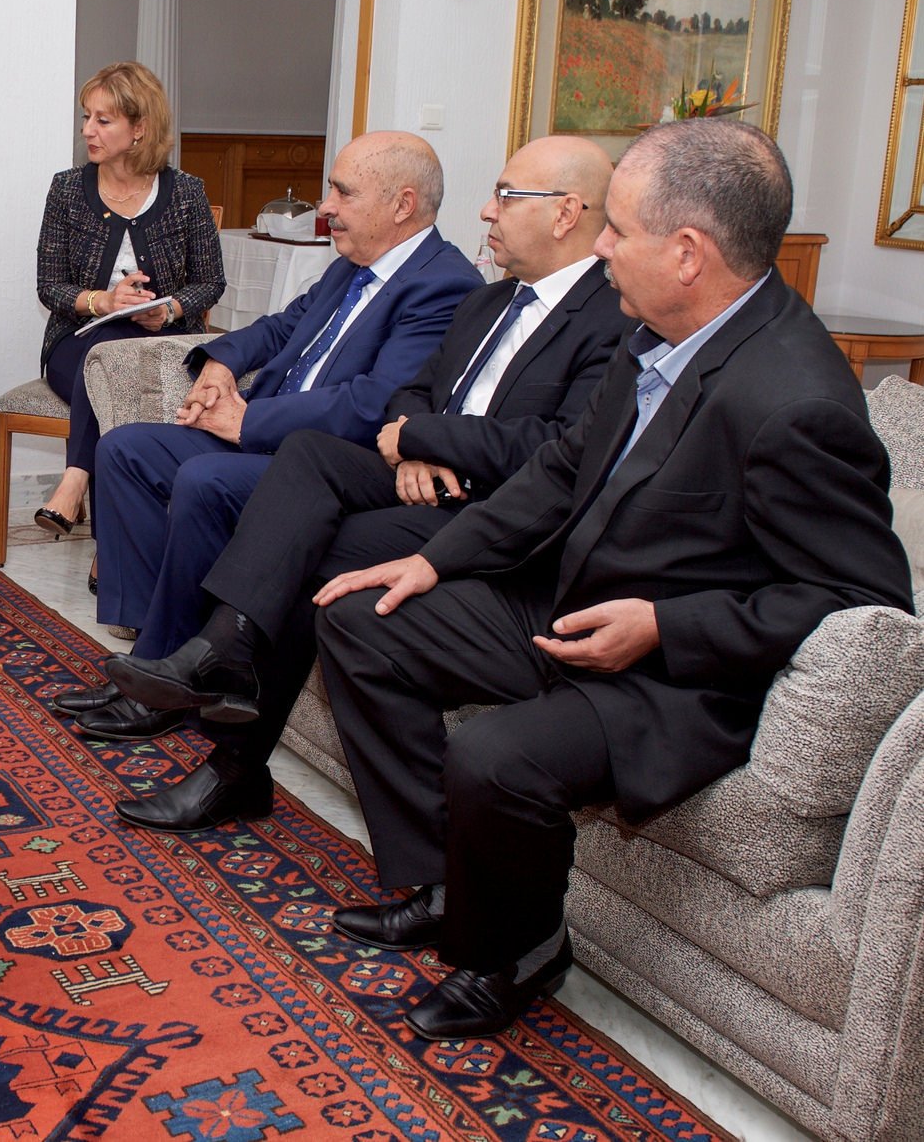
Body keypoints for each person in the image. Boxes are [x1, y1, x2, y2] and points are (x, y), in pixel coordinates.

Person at [303, 118, 911, 1042]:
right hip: (571, 607)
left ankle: (518, 951)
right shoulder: (654, 331)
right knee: (364, 616)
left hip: (674, 675)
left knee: (493, 756)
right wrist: (435, 557)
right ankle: (441, 881)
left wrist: (664, 625)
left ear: (686, 253)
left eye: (616, 230)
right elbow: (561, 469)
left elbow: (863, 604)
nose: (598, 249)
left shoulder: (796, 401)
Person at [102, 135, 630, 830]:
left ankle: (231, 745)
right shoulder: (491, 300)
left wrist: (420, 438)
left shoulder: (612, 319)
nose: (485, 210)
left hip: (499, 514)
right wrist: (411, 441)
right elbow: (411, 390)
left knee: (306, 552)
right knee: (308, 458)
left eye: (505, 196)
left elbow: (553, 447)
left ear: (565, 213)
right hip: (421, 484)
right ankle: (219, 658)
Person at [68, 130, 482, 741]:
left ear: (402, 204)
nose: (326, 208)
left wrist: (247, 423)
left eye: (343, 192)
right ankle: (154, 649)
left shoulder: (443, 285)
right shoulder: (350, 267)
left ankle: (161, 683)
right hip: (266, 433)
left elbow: (374, 403)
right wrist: (220, 362)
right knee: (125, 450)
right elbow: (280, 326)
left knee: (203, 478)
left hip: (325, 463)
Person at [33, 61, 225, 558]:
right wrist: (103, 302)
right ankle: (110, 547)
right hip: (76, 345)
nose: (87, 130)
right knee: (109, 355)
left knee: (118, 365)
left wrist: (169, 310)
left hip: (163, 345)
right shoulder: (67, 190)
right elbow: (49, 285)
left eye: (103, 120)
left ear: (139, 128)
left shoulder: (186, 193)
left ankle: (75, 483)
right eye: (87, 117)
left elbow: (211, 282)